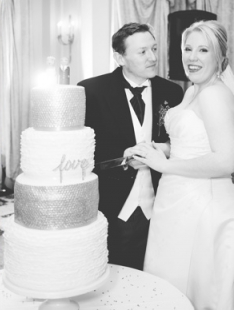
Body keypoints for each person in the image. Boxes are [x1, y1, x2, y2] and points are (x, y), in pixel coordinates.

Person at [135, 20, 234, 309]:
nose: (192, 57)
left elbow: (227, 160)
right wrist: (160, 149)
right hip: (177, 198)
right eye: (187, 48)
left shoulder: (215, 94)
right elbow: (191, 144)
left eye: (203, 50)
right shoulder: (194, 90)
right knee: (171, 281)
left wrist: (163, 166)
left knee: (193, 285)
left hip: (201, 205)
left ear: (220, 57)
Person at [78, 23, 183, 270]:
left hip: (162, 201)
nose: (153, 57)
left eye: (154, 49)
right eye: (143, 52)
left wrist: (163, 149)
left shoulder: (173, 91)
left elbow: (181, 142)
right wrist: (120, 158)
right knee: (113, 272)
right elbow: (80, 153)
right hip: (113, 203)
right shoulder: (90, 91)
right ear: (119, 57)